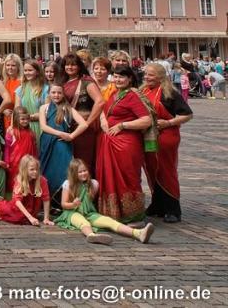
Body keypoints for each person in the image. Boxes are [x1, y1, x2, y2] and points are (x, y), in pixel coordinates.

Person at [95, 65, 152, 223]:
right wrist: (103, 120)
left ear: (130, 79)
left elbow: (146, 120)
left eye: (121, 77)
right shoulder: (115, 94)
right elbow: (104, 110)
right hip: (110, 143)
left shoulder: (133, 96)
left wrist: (122, 125)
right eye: (115, 76)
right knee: (110, 177)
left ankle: (132, 214)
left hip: (126, 144)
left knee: (128, 177)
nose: (117, 80)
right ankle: (114, 213)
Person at [55, 159, 154, 244]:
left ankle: (138, 233)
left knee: (110, 221)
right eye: (79, 172)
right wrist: (73, 204)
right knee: (83, 223)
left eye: (85, 170)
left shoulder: (93, 184)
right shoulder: (68, 184)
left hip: (89, 213)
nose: (83, 173)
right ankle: (91, 235)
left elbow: (89, 202)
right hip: (72, 213)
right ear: (73, 174)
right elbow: (64, 204)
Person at [140, 62, 192, 223]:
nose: (147, 77)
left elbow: (187, 114)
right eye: (146, 74)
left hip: (166, 136)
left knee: (166, 171)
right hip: (148, 136)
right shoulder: (142, 91)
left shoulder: (170, 93)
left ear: (160, 77)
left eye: (151, 75)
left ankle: (173, 209)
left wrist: (169, 122)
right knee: (151, 169)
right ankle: (157, 204)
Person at [39, 84, 88, 210]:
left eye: (59, 93)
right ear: (49, 93)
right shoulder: (44, 108)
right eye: (53, 92)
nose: (56, 95)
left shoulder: (68, 108)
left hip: (62, 145)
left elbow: (84, 124)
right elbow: (43, 127)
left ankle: (63, 203)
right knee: (46, 173)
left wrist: (71, 136)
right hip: (47, 144)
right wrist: (60, 133)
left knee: (63, 172)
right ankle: (49, 205)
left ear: (63, 94)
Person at [60, 53, 103, 172]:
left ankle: (87, 183)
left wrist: (87, 122)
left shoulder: (86, 81)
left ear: (79, 66)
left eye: (73, 65)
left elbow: (100, 102)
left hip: (84, 129)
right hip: (68, 126)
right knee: (71, 162)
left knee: (84, 161)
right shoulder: (63, 82)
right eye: (67, 65)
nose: (70, 67)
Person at [0, 155, 51, 226]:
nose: (35, 172)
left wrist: (46, 218)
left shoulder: (42, 180)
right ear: (25, 170)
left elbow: (46, 199)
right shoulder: (20, 180)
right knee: (17, 218)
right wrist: (30, 217)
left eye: (37, 169)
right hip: (18, 207)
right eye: (32, 169)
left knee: (25, 219)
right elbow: (17, 201)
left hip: (32, 208)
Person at [5, 106, 38, 192]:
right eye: (22, 119)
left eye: (27, 119)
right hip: (16, 163)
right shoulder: (11, 132)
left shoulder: (31, 133)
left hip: (29, 162)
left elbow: (34, 148)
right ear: (16, 119)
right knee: (16, 182)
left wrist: (36, 160)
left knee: (28, 180)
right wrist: (7, 161)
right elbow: (7, 148)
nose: (25, 121)